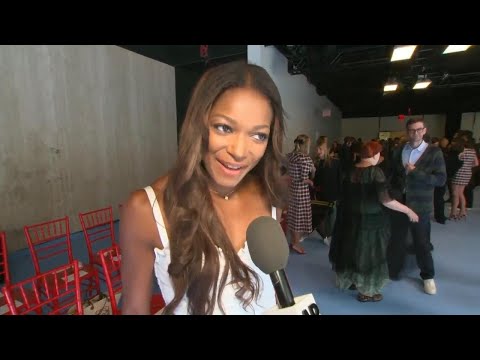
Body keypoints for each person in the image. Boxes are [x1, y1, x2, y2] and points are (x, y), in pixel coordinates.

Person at [119, 61, 287, 315]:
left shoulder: (269, 194)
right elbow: (134, 309)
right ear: (199, 123)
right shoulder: (145, 208)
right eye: (224, 127)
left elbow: (270, 288)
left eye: (258, 135)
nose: (239, 152)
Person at [329, 141, 419, 302]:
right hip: (371, 220)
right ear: (375, 155)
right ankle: (367, 291)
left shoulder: (350, 170)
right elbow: (386, 201)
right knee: (370, 255)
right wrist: (408, 210)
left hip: (349, 218)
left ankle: (352, 282)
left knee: (352, 250)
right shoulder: (375, 172)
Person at [387, 118, 446, 295]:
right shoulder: (399, 150)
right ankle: (393, 271)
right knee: (396, 239)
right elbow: (393, 175)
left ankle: (428, 276)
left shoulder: (434, 152)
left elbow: (441, 179)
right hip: (400, 203)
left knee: (421, 242)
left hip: (420, 205)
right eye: (411, 130)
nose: (415, 133)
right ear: (407, 132)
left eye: (419, 129)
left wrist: (416, 172)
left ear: (425, 130)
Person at [286, 134, 315, 255]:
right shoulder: (305, 158)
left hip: (291, 190)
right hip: (301, 192)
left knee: (293, 217)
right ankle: (296, 244)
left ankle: (293, 241)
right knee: (299, 219)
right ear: (306, 145)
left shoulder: (289, 156)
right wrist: (311, 178)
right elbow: (304, 179)